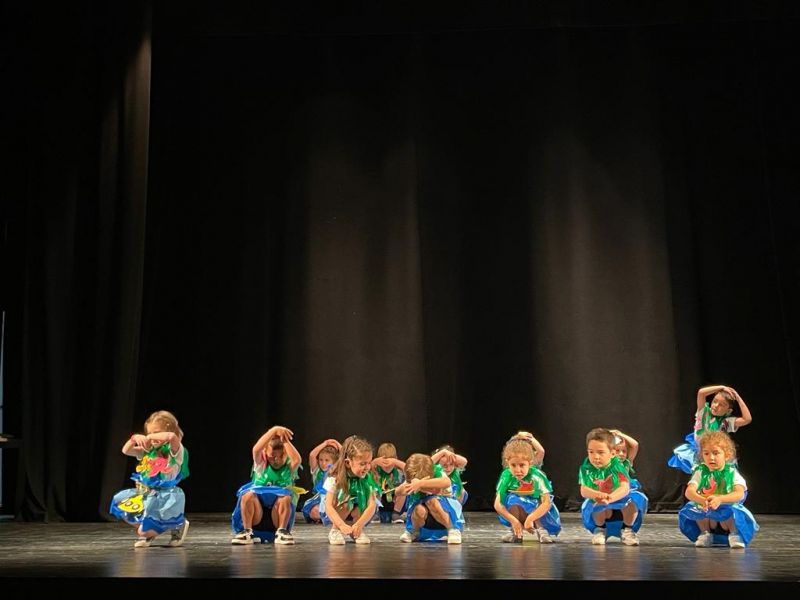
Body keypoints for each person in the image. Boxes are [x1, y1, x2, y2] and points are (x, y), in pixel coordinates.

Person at [110, 410, 190, 548]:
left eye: (156, 432)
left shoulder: (175, 450)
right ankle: (149, 531)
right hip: (146, 494)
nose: (152, 437)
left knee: (145, 530)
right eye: (149, 433)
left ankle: (177, 524)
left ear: (169, 428)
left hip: (165, 496)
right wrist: (134, 438)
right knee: (119, 501)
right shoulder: (149, 450)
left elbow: (171, 436)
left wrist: (148, 437)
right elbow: (126, 450)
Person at [678, 431, 758, 548]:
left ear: (726, 455)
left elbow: (739, 493)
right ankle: (705, 533)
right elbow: (689, 492)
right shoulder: (700, 472)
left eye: (716, 453)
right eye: (706, 453)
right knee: (695, 506)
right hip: (708, 510)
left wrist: (720, 499)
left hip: (725, 512)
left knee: (731, 509)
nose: (711, 457)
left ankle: (734, 534)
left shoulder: (731, 473)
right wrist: (702, 500)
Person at [230, 425, 302, 545]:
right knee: (247, 495)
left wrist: (284, 439)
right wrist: (274, 431)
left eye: (281, 456)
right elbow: (256, 450)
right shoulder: (261, 465)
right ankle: (247, 532)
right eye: (272, 456)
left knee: (285, 498)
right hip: (257, 515)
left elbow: (297, 460)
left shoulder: (289, 467)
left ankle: (282, 531)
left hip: (276, 518)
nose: (276, 460)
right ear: (266, 454)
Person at [579, 427, 647, 546]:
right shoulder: (587, 468)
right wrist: (597, 495)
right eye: (591, 452)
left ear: (612, 453)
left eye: (601, 452)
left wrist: (610, 498)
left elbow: (624, 488)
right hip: (603, 503)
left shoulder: (618, 466)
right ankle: (600, 529)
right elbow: (584, 490)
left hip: (618, 498)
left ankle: (627, 529)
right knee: (596, 505)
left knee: (631, 504)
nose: (595, 457)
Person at [668, 384, 752, 474]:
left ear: (728, 411)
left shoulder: (725, 422)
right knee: (700, 477)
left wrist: (737, 398)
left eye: (722, 405)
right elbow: (701, 393)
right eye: (715, 401)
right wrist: (721, 387)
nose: (716, 405)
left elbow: (747, 419)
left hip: (714, 457)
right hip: (700, 453)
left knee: (717, 478)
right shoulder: (704, 412)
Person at [493, 437, 560, 543]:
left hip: (538, 514)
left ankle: (541, 530)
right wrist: (514, 521)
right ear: (507, 462)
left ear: (530, 463)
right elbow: (498, 504)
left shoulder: (537, 476)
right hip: (519, 513)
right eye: (513, 465)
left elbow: (546, 503)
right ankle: (515, 531)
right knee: (512, 498)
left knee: (537, 500)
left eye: (522, 465)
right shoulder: (507, 475)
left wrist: (531, 518)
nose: (518, 470)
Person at [322, 435, 380, 545]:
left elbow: (372, 505)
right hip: (337, 513)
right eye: (362, 464)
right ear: (348, 463)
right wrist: (341, 525)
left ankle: (356, 531)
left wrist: (359, 524)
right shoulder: (336, 478)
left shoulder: (368, 479)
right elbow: (328, 506)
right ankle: (335, 530)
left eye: (369, 462)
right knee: (347, 504)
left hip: (356, 514)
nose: (367, 467)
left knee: (361, 505)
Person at [396, 453, 464, 544]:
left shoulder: (437, 471)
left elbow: (446, 482)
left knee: (431, 501)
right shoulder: (413, 477)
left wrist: (421, 484)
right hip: (425, 520)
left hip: (443, 512)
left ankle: (453, 530)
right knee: (418, 509)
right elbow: (397, 491)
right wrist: (409, 486)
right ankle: (414, 532)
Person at [302, 438, 341, 523]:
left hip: (334, 500)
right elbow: (312, 455)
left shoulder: (336, 469)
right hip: (319, 500)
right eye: (321, 460)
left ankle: (330, 516)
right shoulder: (317, 470)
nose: (323, 463)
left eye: (327, 460)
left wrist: (337, 443)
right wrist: (325, 443)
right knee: (315, 513)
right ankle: (327, 517)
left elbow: (344, 456)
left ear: (334, 461)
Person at [372, 442, 407, 523]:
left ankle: (396, 514)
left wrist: (396, 461)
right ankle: (374, 513)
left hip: (394, 504)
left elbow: (411, 470)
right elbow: (365, 469)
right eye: (384, 463)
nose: (387, 466)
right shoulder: (375, 472)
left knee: (404, 488)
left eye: (389, 464)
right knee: (372, 489)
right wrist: (374, 462)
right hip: (379, 504)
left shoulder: (399, 473)